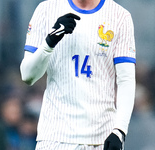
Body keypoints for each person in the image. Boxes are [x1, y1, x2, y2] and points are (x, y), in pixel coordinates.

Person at [20, 0, 136, 149]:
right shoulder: (46, 9)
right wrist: (50, 42)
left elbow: (126, 80)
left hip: (101, 139)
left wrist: (120, 130)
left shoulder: (120, 16)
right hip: (54, 138)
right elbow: (27, 75)